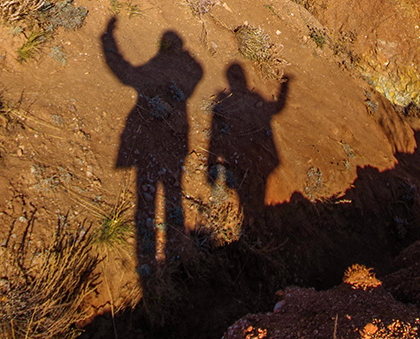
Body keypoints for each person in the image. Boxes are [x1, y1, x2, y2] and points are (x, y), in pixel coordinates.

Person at [101, 16, 203, 285]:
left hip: (154, 141)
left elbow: (123, 72)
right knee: (172, 193)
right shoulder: (187, 72)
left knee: (145, 199)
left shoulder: (150, 73)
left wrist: (107, 39)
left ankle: (152, 262)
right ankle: (175, 253)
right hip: (176, 142)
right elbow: (198, 72)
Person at [207, 63, 291, 238]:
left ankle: (248, 228)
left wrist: (211, 162)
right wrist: (286, 85)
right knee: (252, 192)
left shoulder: (225, 100)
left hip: (245, 157)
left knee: (248, 192)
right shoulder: (241, 99)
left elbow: (213, 138)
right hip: (259, 158)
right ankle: (250, 229)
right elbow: (278, 108)